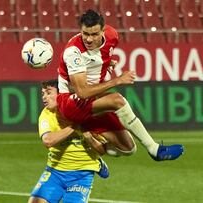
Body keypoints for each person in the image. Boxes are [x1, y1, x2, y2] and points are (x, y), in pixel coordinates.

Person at [56, 9, 183, 161]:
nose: (89, 39)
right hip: (70, 102)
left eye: (94, 34)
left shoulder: (112, 35)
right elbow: (82, 92)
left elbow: (97, 57)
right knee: (117, 100)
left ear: (103, 31)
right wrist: (117, 80)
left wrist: (106, 62)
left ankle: (89, 144)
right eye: (85, 34)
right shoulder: (73, 52)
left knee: (128, 148)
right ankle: (154, 149)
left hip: (91, 99)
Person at [29, 80, 128, 203]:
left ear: (61, 94)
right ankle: (98, 163)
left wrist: (88, 137)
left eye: (49, 93)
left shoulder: (85, 111)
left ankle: (97, 162)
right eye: (42, 93)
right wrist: (76, 126)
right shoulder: (47, 114)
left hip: (81, 175)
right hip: (55, 172)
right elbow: (48, 141)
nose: (44, 97)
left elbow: (102, 150)